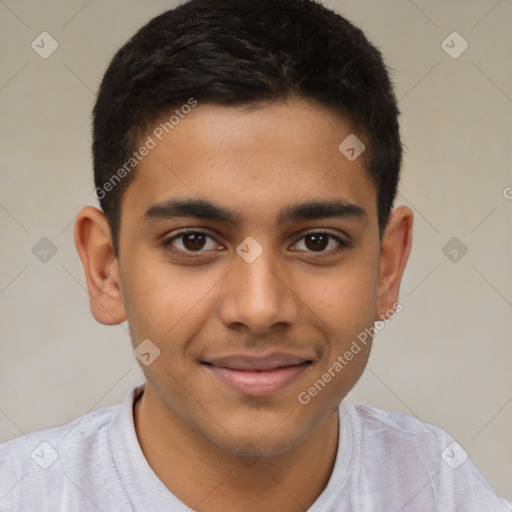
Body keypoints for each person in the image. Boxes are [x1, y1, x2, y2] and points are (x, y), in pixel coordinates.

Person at [0, 1, 510, 510]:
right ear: (106, 269)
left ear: (387, 266)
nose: (259, 309)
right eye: (193, 241)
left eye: (317, 241)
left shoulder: (443, 490)